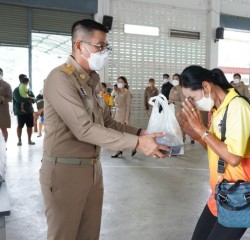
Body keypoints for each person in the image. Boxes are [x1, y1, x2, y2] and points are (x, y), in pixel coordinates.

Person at [39, 19, 169, 240]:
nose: (104, 51)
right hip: (65, 173)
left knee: (90, 235)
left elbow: (107, 122)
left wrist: (140, 134)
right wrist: (138, 144)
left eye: (105, 46)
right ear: (79, 45)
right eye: (100, 46)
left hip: (93, 170)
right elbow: (85, 129)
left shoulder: (93, 82)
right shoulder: (60, 79)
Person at [177, 66, 250, 240]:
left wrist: (201, 130)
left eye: (192, 98)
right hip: (221, 192)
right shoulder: (217, 109)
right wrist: (193, 131)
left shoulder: (237, 106)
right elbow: (216, 150)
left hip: (240, 195)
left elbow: (232, 157)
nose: (193, 103)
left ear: (206, 87)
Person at [111, 76, 134, 158]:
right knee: (118, 133)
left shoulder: (127, 92)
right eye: (118, 82)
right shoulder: (117, 92)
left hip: (124, 114)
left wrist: (127, 118)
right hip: (117, 114)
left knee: (124, 133)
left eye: (121, 82)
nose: (119, 83)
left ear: (125, 83)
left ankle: (131, 147)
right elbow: (115, 104)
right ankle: (119, 150)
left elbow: (128, 106)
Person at [13, 74, 36, 146]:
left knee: (30, 126)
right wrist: (28, 99)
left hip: (29, 111)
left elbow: (34, 98)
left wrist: (31, 99)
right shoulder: (16, 90)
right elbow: (18, 99)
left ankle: (29, 140)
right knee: (20, 126)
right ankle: (19, 140)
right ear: (20, 80)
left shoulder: (28, 89)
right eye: (24, 79)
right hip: (20, 112)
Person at [0, 68, 12, 142]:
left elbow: (10, 98)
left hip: (3, 111)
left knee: (3, 128)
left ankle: (4, 145)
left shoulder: (6, 85)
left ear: (2, 74)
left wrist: (2, 99)